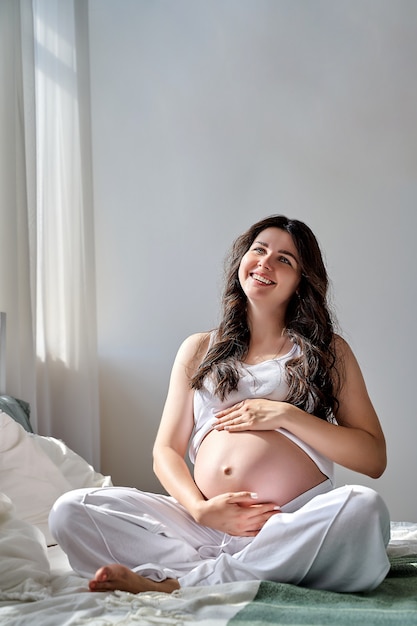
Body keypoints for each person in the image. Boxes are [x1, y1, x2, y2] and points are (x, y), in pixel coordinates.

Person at [49, 215, 390, 595]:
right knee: (71, 509)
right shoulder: (199, 349)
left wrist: (286, 415)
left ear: (301, 282)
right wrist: (199, 509)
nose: (265, 262)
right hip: (204, 525)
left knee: (364, 508)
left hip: (286, 522)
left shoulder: (328, 351)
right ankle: (232, 570)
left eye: (285, 259)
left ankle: (180, 583)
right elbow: (165, 451)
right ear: (242, 260)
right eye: (259, 250)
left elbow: (373, 458)